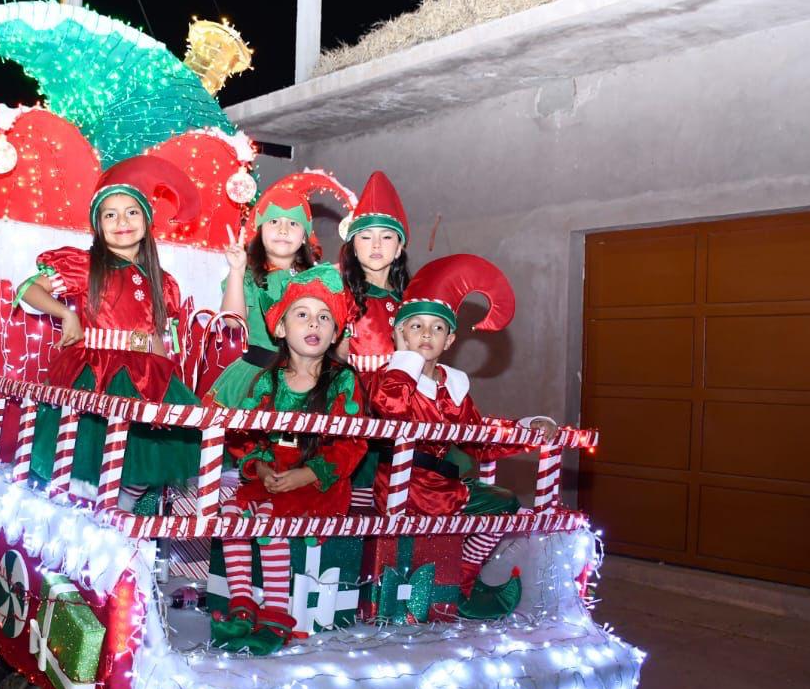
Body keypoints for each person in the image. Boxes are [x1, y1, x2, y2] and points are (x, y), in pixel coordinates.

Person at [15, 156, 201, 506]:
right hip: (99, 373)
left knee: (145, 456)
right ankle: (89, 515)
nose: (122, 222)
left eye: (131, 212)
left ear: (147, 220)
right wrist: (65, 314)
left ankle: (120, 509)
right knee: (90, 453)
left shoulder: (162, 281)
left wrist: (169, 380)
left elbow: (155, 337)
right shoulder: (86, 265)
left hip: (146, 375)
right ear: (98, 225)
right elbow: (28, 289)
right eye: (110, 215)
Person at [369, 254, 558, 596]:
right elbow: (392, 409)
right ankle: (460, 585)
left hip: (443, 487)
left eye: (437, 328)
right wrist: (406, 357)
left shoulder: (452, 385)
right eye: (416, 326)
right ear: (399, 333)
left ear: (449, 340)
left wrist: (528, 428)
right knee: (494, 505)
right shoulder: (391, 376)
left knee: (505, 502)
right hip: (405, 487)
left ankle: (464, 579)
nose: (427, 334)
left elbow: (479, 440)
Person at [212, 264, 366, 654]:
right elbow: (245, 435)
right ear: (281, 328)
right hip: (271, 478)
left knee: (269, 517)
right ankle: (242, 602)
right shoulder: (268, 380)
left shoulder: (342, 381)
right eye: (302, 314)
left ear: (335, 333)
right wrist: (262, 467)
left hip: (316, 485)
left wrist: (306, 474)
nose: (314, 323)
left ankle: (277, 612)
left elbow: (351, 444)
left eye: (324, 317)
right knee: (231, 512)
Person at [204, 173, 344, 408]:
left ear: (304, 237)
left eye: (293, 223)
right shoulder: (249, 275)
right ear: (260, 231)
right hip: (254, 376)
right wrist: (237, 270)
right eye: (274, 222)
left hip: (306, 379)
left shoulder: (316, 280)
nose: (283, 230)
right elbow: (233, 322)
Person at [337, 170, 411, 377]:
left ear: (399, 248)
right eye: (366, 237)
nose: (376, 245)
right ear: (353, 247)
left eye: (386, 237)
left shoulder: (410, 301)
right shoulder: (341, 296)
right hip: (353, 391)